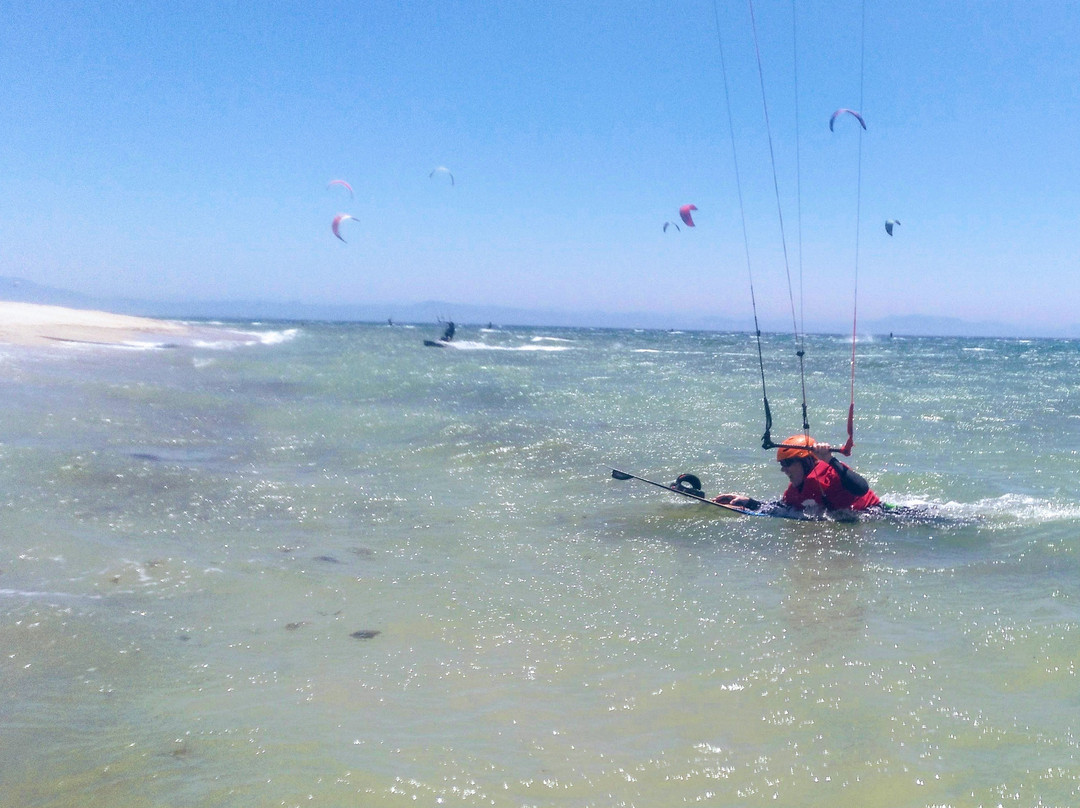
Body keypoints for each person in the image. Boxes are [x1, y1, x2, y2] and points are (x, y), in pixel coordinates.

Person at [714, 434, 880, 516]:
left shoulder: (830, 471)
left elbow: (861, 488)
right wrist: (748, 502)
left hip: (879, 515)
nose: (783, 470)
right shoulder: (795, 490)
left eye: (787, 463)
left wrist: (830, 459)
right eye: (781, 464)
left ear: (805, 462)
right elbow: (780, 509)